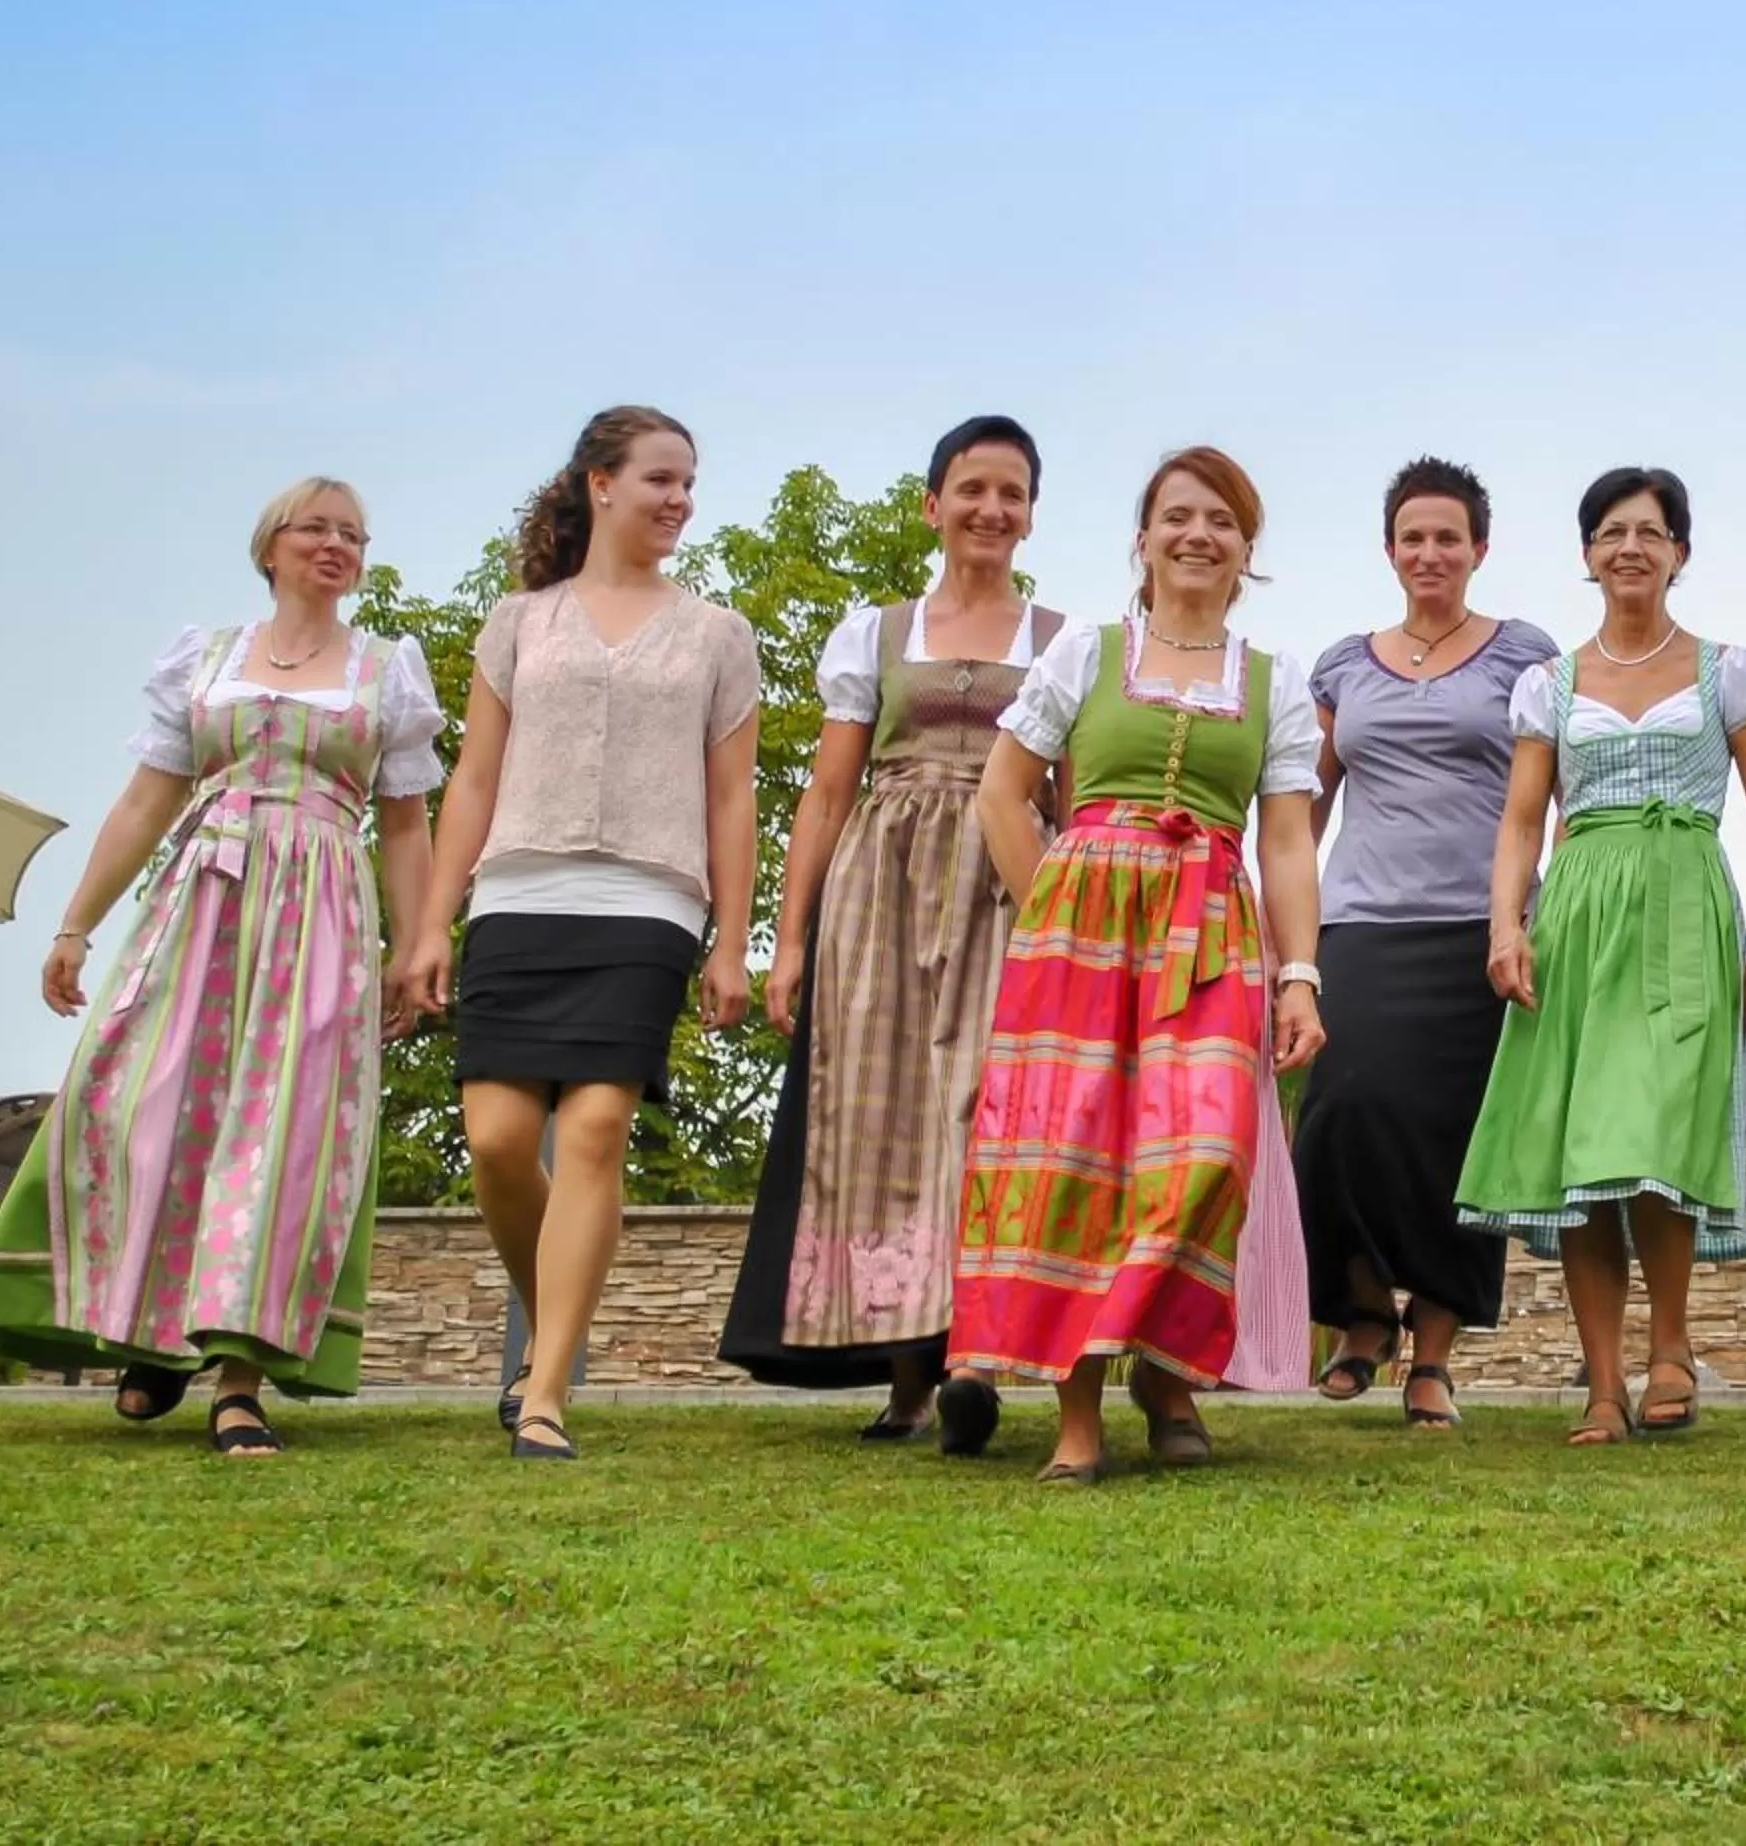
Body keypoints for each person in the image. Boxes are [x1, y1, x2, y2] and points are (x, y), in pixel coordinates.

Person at [0, 480, 440, 1455]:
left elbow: (405, 826)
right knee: (148, 1108)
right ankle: (155, 1330)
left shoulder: (386, 674)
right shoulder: (207, 661)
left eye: (354, 535)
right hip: (204, 901)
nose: (337, 544)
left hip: (320, 907)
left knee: (286, 1132)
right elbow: (146, 801)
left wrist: (422, 939)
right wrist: (74, 925)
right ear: (271, 545)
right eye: (317, 527)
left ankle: (240, 1376)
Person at [943, 446, 1322, 1483]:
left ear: (1248, 551)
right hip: (1083, 927)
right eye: (1178, 516)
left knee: (1205, 1152)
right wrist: (1052, 912)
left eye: (1223, 522)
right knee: (1075, 1166)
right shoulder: (1087, 654)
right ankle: (1080, 1411)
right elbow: (1001, 794)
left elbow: (1287, 841)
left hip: (1210, 930)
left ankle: (1161, 1370)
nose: (1199, 535)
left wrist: (1301, 975)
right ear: (1143, 537)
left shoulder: (1274, 681)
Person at [404, 407, 761, 1461]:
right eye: (659, 478)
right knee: (499, 1144)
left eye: (689, 483)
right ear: (600, 483)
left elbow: (733, 799)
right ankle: (559, 1300)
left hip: (650, 900)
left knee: (597, 1130)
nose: (678, 499)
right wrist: (435, 918)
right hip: (518, 891)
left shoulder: (717, 636)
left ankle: (547, 1385)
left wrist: (733, 941)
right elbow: (472, 778)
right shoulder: (521, 622)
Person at [718, 417, 1065, 1443]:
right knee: (880, 1123)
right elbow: (826, 793)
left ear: (1032, 513)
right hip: (882, 886)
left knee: (984, 1113)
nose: (991, 510)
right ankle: (909, 1372)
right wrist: (787, 941)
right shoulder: (874, 633)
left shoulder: (1063, 641)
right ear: (933, 505)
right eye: (972, 489)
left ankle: (974, 1358)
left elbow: (1073, 795)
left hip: (1004, 882)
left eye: (1011, 493)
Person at [1457, 467, 1746, 1447]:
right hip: (1581, 913)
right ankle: (1604, 1384)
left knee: (1656, 1139)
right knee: (1586, 1148)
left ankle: (1672, 1347)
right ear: (1587, 555)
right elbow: (1523, 818)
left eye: (1651, 532)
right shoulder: (1550, 684)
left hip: (1686, 906)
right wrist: (1506, 926)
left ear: (1680, 554)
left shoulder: (1728, 670)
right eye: (1612, 532)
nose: (1631, 548)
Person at [1294, 459, 1559, 1431]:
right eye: (1414, 537)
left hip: (1479, 930)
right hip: (1358, 922)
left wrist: (1541, 916)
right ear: (1389, 549)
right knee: (1340, 1114)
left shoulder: (1523, 655)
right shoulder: (1345, 664)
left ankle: (1433, 1361)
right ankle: (1363, 1311)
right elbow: (1305, 804)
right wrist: (1287, 933)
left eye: (1449, 537)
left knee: (1459, 1144)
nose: (1431, 553)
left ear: (1479, 549)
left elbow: (1556, 791)